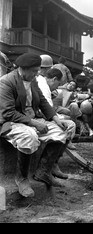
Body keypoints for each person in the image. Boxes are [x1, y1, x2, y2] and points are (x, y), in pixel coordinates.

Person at [0, 53, 70, 198]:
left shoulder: (32, 80)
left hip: (32, 119)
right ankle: (22, 178)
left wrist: (56, 119)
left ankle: (43, 171)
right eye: (34, 70)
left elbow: (43, 101)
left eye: (38, 70)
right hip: (12, 121)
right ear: (23, 69)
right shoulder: (6, 82)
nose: (37, 73)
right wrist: (33, 123)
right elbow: (7, 112)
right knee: (29, 136)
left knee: (62, 131)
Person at [37, 67, 77, 178]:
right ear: (54, 79)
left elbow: (47, 108)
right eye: (57, 83)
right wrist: (60, 120)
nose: (57, 87)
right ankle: (50, 166)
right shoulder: (44, 87)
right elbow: (46, 111)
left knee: (66, 121)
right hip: (34, 117)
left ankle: (51, 165)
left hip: (39, 114)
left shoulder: (42, 82)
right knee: (68, 126)